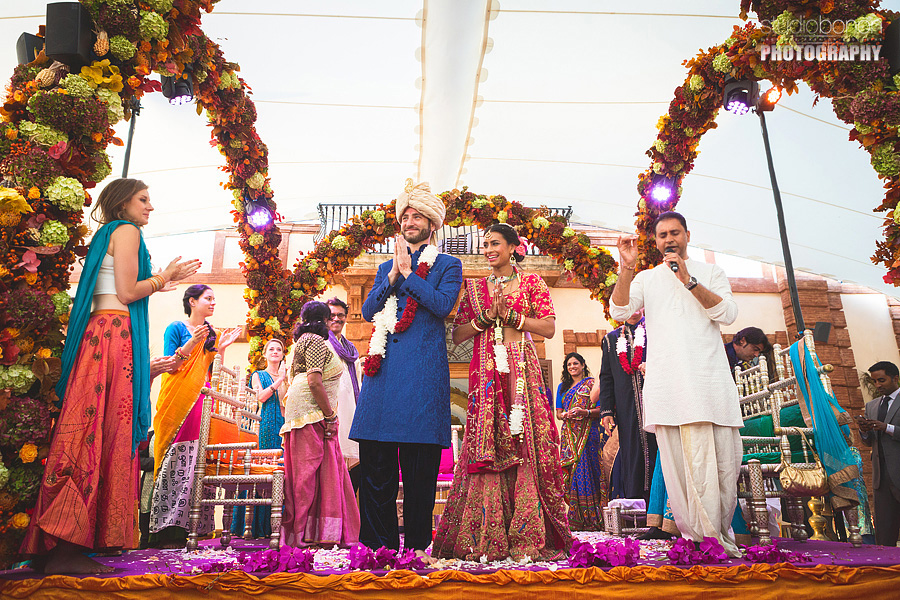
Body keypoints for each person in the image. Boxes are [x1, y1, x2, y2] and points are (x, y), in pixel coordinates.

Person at [20, 178, 200, 573]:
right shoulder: (127, 231)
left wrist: (161, 281)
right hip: (114, 337)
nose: (149, 207)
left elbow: (116, 289)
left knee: (87, 428)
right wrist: (163, 276)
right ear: (122, 202)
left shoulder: (108, 233)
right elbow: (126, 292)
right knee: (102, 432)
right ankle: (68, 546)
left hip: (98, 335)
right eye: (143, 200)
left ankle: (64, 541)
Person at [432, 223, 571, 561]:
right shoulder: (475, 288)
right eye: (485, 244)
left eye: (495, 243)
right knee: (488, 443)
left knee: (525, 441)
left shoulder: (532, 282)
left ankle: (526, 531)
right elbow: (458, 336)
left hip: (521, 368)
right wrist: (484, 319)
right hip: (486, 372)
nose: (488, 249)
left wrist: (511, 316)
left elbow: (549, 328)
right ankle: (487, 532)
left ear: (513, 247)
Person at [610, 211, 743, 558]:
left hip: (708, 384)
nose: (669, 239)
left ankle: (716, 538)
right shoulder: (645, 278)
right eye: (662, 235)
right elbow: (620, 311)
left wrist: (689, 281)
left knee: (722, 466)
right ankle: (697, 539)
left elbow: (727, 314)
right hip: (669, 387)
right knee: (679, 471)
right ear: (655, 242)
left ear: (687, 234)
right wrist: (625, 267)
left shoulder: (710, 271)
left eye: (675, 233)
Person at [349, 181, 462, 561]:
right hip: (382, 377)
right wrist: (394, 277)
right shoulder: (385, 268)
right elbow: (367, 312)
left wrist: (410, 275)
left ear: (433, 224)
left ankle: (416, 548)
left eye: (418, 216)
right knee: (376, 468)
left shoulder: (448, 265)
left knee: (419, 472)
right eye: (406, 216)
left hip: (421, 378)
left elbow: (443, 305)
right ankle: (377, 549)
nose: (410, 221)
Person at [149, 285, 241, 548]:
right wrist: (191, 342)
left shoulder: (211, 333)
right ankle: (165, 532)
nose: (213, 303)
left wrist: (220, 349)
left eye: (214, 299)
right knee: (174, 461)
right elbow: (172, 365)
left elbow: (213, 370)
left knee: (197, 462)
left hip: (202, 400)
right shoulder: (176, 328)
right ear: (192, 301)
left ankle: (193, 529)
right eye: (208, 299)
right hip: (177, 402)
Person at [280, 301, 360, 547]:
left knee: (321, 473)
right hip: (311, 413)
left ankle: (317, 531)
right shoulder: (314, 340)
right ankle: (300, 534)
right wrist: (329, 416)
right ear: (323, 320)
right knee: (307, 475)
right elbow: (314, 382)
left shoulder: (301, 342)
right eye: (329, 318)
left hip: (309, 411)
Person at [230, 338, 288, 538]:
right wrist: (279, 380)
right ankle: (249, 526)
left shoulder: (287, 378)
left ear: (283, 354)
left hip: (282, 426)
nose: (275, 352)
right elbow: (260, 398)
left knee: (279, 473)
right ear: (265, 354)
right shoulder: (258, 375)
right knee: (261, 470)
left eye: (278, 349)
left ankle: (274, 527)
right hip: (264, 425)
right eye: (271, 349)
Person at [598, 309, 656, 506]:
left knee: (659, 451)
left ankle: (659, 509)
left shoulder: (656, 330)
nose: (633, 310)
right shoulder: (610, 339)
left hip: (656, 403)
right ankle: (637, 508)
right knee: (632, 453)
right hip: (626, 407)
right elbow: (606, 377)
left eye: (637, 304)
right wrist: (607, 411)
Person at [556, 352, 612, 530]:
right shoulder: (562, 387)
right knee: (573, 473)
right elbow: (558, 413)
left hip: (589, 434)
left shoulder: (592, 384)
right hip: (570, 437)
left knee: (592, 471)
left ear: (582, 365)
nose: (572, 367)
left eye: (575, 364)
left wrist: (584, 412)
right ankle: (576, 518)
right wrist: (565, 414)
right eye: (569, 365)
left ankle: (595, 518)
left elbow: (601, 409)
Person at [859, 361, 900, 547]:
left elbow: (887, 430)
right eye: (874, 381)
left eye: (882, 380)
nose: (877, 385)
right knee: (884, 531)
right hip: (880, 476)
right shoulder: (872, 406)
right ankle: (887, 568)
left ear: (895, 378)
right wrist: (865, 430)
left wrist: (888, 428)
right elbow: (868, 441)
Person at [325, 297, 361, 491]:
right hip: (329, 411)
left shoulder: (351, 350)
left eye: (341, 315)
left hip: (350, 412)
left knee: (350, 470)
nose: (336, 319)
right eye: (332, 315)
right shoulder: (320, 343)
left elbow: (358, 383)